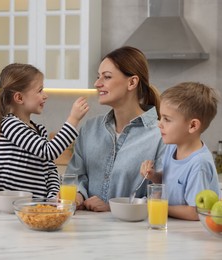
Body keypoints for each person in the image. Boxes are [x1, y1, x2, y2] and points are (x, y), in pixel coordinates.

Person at [67, 46, 166, 211]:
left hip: (135, 233)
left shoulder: (160, 135)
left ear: (132, 82)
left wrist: (112, 208)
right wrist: (78, 195)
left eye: (106, 77)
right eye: (98, 77)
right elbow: (75, 177)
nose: (97, 84)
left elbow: (161, 194)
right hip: (86, 229)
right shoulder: (90, 129)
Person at [0, 63, 89, 198]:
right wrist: (73, 119)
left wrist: (53, 196)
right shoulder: (10, 125)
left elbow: (50, 169)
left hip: (37, 207)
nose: (45, 95)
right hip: (15, 209)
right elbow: (49, 151)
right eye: (40, 90)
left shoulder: (38, 130)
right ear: (19, 98)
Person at [140, 82, 220, 220]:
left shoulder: (199, 164)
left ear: (193, 125)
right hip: (174, 227)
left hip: (190, 233)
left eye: (167, 119)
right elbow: (171, 180)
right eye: (161, 117)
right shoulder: (172, 148)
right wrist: (154, 176)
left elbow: (195, 212)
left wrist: (156, 205)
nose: (160, 123)